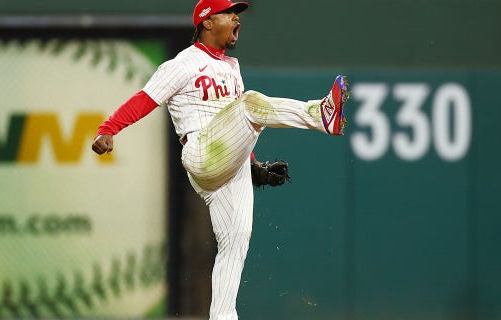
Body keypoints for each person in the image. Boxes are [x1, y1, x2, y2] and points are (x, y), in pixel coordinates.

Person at [90, 0, 349, 318]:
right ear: (207, 22)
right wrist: (109, 128)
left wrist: (254, 166)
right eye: (228, 13)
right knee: (251, 102)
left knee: (234, 244)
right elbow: (147, 97)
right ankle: (320, 114)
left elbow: (238, 125)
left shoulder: (231, 67)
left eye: (236, 13)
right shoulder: (184, 63)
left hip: (230, 164)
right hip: (200, 150)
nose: (236, 18)